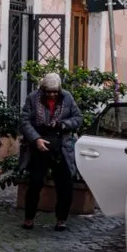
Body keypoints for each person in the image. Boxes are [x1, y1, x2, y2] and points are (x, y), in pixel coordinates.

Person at [20, 73, 83, 231]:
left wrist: (63, 124)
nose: (52, 94)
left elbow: (78, 118)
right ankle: (29, 218)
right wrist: (36, 139)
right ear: (43, 89)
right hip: (39, 145)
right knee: (35, 183)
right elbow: (25, 120)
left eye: (55, 92)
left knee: (65, 185)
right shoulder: (33, 98)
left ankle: (61, 219)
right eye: (48, 92)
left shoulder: (67, 97)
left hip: (60, 146)